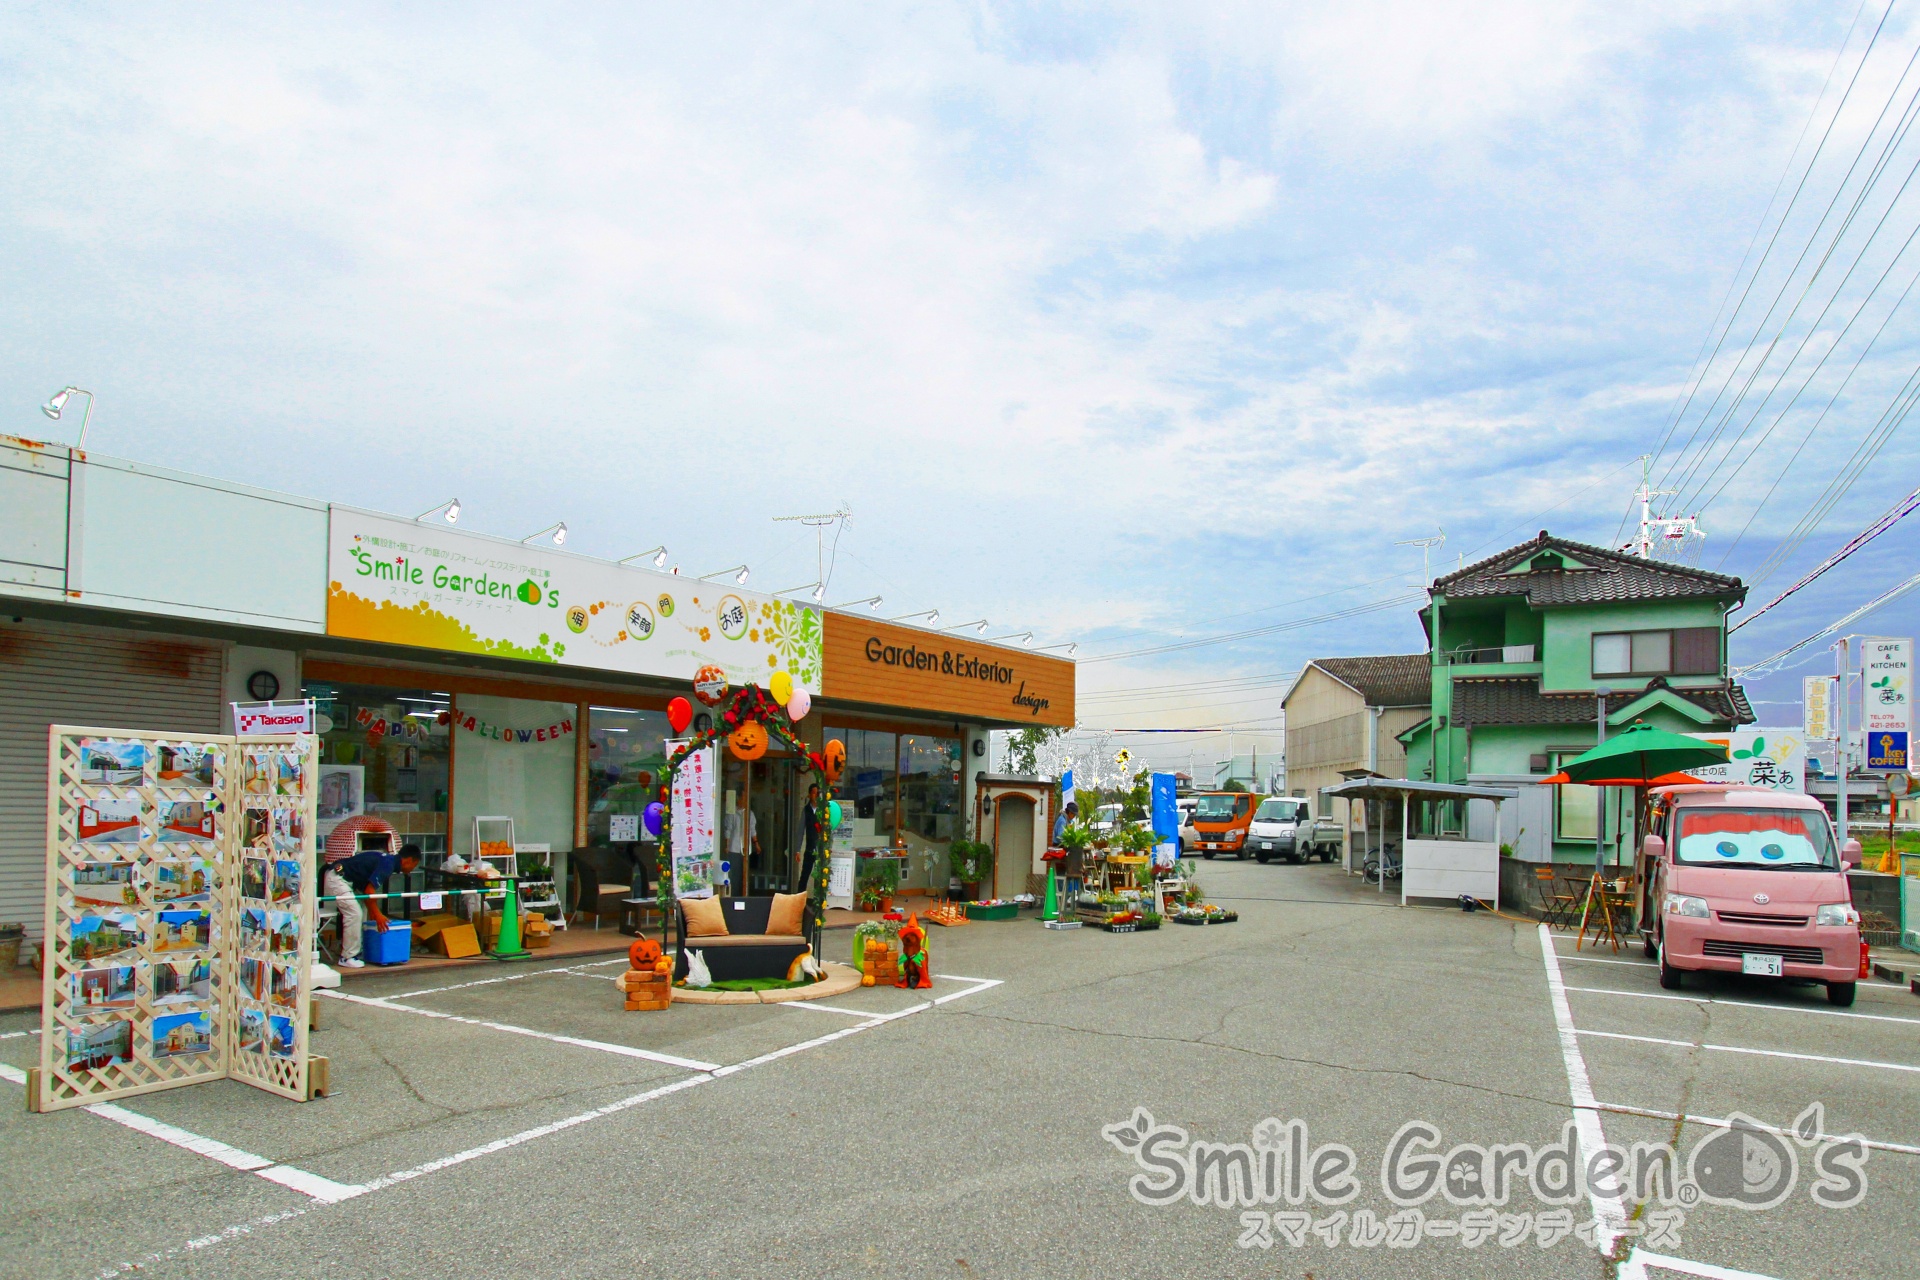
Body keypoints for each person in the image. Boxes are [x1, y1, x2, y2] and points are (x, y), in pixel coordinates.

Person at [324, 841, 421, 968]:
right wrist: (378, 915)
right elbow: (370, 892)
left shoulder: (388, 860)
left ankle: (357, 951)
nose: (412, 869)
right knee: (355, 914)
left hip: (346, 879)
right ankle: (347, 957)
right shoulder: (388, 864)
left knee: (363, 911)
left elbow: (367, 893)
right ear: (408, 860)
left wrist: (374, 912)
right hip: (338, 878)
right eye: (414, 865)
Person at [798, 783, 823, 892]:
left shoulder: (823, 811)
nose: (816, 795)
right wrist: (797, 850)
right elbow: (800, 830)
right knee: (804, 876)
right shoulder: (806, 810)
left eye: (817, 793)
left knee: (820, 878)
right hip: (809, 849)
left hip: (821, 850)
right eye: (813, 793)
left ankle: (819, 903)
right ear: (809, 795)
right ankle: (799, 900)